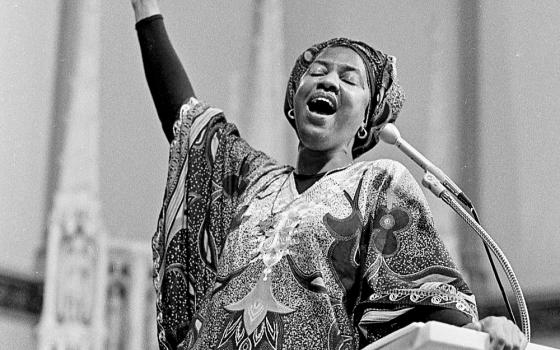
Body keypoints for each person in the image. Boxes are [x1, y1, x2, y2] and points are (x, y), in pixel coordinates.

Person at [130, 1, 528, 349]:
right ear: (294, 103)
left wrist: (482, 332)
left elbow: (423, 306)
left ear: (366, 123)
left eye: (349, 79)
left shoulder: (379, 183)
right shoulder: (249, 181)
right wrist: (145, 9)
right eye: (318, 71)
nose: (328, 80)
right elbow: (188, 122)